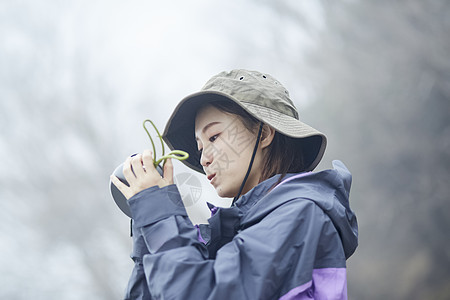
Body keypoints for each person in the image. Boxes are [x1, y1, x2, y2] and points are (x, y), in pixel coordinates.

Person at [110, 69, 358, 300]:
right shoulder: (237, 231)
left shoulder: (300, 213)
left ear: (263, 134)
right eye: (199, 147)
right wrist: (147, 225)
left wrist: (161, 215)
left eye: (214, 137)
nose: (204, 158)